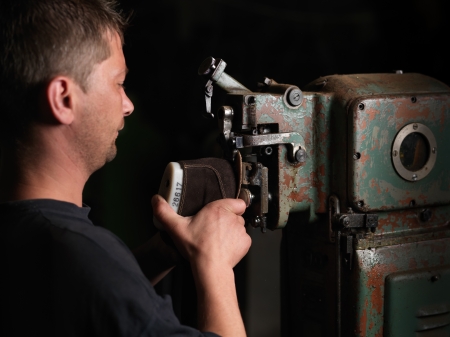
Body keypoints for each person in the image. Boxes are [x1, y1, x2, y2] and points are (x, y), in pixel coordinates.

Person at [0, 0, 251, 336]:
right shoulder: (80, 252)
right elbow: (94, 277)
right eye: (118, 84)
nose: (129, 105)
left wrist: (164, 252)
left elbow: (82, 300)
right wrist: (215, 263)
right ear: (63, 98)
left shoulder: (30, 233)